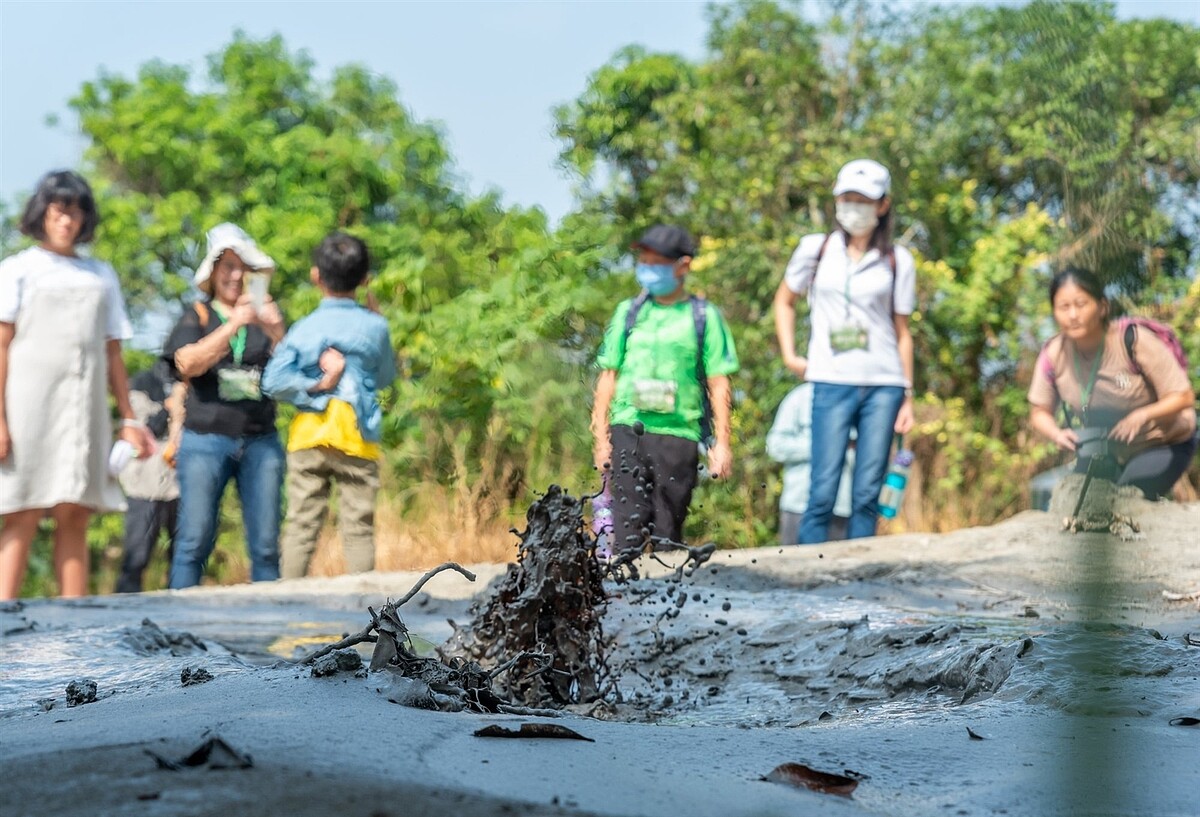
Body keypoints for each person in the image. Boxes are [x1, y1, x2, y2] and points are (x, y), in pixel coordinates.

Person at [0, 170, 155, 599]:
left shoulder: (100, 275)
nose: (67, 221)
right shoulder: (17, 270)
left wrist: (128, 418)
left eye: (75, 213)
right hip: (27, 408)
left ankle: (76, 621)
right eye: (59, 211)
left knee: (76, 511)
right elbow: (1, 345)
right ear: (43, 213)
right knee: (23, 508)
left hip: (83, 410)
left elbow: (113, 352)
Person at [773, 159, 916, 543]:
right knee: (822, 490)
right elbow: (784, 301)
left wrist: (908, 395)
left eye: (864, 200)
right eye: (847, 198)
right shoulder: (815, 249)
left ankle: (860, 573)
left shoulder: (898, 260)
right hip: (831, 379)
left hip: (884, 383)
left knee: (867, 494)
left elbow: (903, 333)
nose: (854, 207)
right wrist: (789, 354)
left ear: (882, 204)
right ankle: (809, 571)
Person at [591, 224, 739, 552]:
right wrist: (601, 439)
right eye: (644, 261)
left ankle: (664, 585)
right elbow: (608, 376)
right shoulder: (628, 312)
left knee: (668, 532)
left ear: (682, 266)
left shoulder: (704, 317)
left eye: (657, 263)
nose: (648, 269)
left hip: (679, 435)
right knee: (626, 529)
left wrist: (722, 444)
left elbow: (718, 382)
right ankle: (625, 582)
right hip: (629, 429)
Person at [262, 233, 396, 579]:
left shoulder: (305, 327)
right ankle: (364, 609)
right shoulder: (376, 326)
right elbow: (385, 377)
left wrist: (317, 386)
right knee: (358, 527)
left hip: (309, 434)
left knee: (301, 524)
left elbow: (273, 381)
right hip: (357, 434)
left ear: (315, 276)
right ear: (365, 279)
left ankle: (288, 602)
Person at [162, 223, 286, 588]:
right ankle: (178, 618)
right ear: (213, 272)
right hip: (204, 440)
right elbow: (186, 363)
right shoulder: (198, 314)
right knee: (193, 541)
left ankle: (272, 620)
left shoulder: (268, 317)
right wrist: (234, 325)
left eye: (243, 267)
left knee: (266, 547)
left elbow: (293, 374)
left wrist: (277, 330)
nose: (235, 275)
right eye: (228, 267)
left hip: (261, 440)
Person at [1028, 267, 1196, 500]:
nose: (1073, 315)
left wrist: (1142, 415)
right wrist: (1057, 434)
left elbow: (1184, 396)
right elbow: (1039, 411)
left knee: (1127, 497)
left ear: (1102, 307)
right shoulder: (1053, 354)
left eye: (1081, 304)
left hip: (1163, 443)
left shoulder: (1132, 340)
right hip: (1106, 451)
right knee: (1078, 499)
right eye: (1064, 307)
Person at [115, 361, 181, 593]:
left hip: (180, 485)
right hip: (144, 486)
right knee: (136, 558)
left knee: (181, 558)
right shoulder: (142, 383)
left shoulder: (193, 384)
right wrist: (169, 407)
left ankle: (181, 608)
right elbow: (144, 433)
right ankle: (124, 608)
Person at [766, 382, 855, 545]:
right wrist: (824, 446)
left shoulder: (859, 398)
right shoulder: (799, 397)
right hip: (799, 506)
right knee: (794, 560)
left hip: (843, 509)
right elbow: (775, 446)